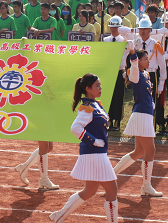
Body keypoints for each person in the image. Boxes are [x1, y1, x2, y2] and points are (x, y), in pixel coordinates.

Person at [49, 73, 118, 223]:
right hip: (95, 153)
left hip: (97, 153)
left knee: (89, 191)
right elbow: (75, 128)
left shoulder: (96, 104)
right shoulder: (87, 107)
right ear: (88, 89)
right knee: (112, 190)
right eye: (97, 86)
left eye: (100, 85)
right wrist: (93, 141)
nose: (100, 88)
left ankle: (58, 216)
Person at [112, 46, 163, 197]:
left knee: (139, 151)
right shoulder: (135, 74)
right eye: (145, 59)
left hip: (145, 113)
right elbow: (133, 62)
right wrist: (132, 52)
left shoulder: (145, 74)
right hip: (142, 114)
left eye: (148, 58)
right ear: (138, 61)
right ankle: (146, 186)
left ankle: (111, 174)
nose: (148, 61)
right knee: (150, 151)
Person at [102, 16, 127, 131]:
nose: (113, 29)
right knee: (108, 96)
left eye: (116, 27)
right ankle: (109, 119)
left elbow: (125, 57)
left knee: (118, 96)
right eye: (112, 26)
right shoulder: (106, 40)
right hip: (108, 72)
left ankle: (117, 120)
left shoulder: (123, 41)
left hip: (119, 71)